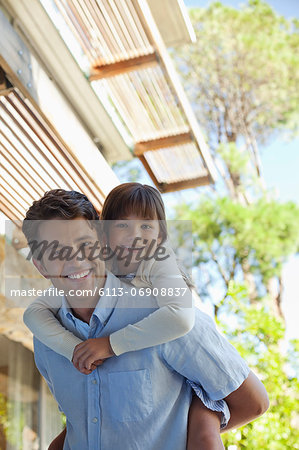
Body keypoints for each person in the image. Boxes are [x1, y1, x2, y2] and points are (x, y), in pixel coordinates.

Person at [22, 189, 269, 450]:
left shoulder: (163, 315)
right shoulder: (46, 342)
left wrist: (200, 427)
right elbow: (81, 421)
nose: (75, 259)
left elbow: (253, 402)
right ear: (40, 266)